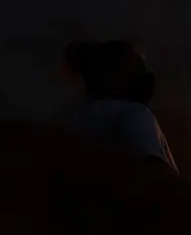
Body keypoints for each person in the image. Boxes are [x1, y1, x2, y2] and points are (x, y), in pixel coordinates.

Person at [63, 39, 179, 175]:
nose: (146, 74)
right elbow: (157, 174)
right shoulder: (134, 114)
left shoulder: (78, 117)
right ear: (109, 76)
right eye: (138, 66)